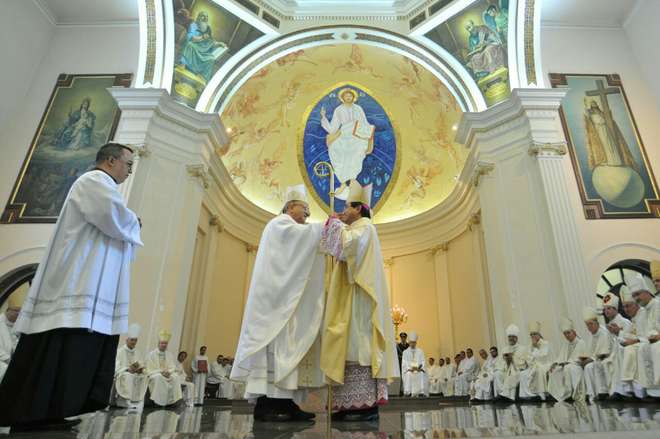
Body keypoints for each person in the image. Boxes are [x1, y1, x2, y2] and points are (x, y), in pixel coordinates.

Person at [0, 143, 142, 431]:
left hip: (87, 284)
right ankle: (35, 414)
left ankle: (53, 411)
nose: (129, 169)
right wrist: (135, 221)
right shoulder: (93, 181)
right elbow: (111, 217)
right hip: (75, 283)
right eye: (128, 163)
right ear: (111, 160)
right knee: (59, 349)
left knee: (68, 354)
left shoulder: (103, 186)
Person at [231, 185, 325, 422]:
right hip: (274, 306)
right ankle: (268, 405)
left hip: (285, 303)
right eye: (304, 209)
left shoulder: (292, 227)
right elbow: (300, 239)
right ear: (290, 207)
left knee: (288, 348)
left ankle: (286, 401)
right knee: (274, 351)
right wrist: (326, 225)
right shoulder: (279, 225)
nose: (307, 215)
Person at [320, 180, 399, 421]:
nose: (343, 211)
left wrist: (334, 225)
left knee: (358, 344)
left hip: (360, 298)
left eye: (347, 207)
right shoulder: (356, 228)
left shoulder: (365, 228)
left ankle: (363, 406)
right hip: (348, 294)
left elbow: (348, 248)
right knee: (346, 344)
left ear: (359, 209)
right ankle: (346, 404)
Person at [319, 88, 375, 198]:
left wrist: (368, 131)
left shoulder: (358, 108)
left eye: (350, 95)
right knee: (336, 150)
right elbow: (333, 127)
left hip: (357, 135)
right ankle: (343, 183)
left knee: (356, 155)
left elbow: (364, 122)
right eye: (346, 96)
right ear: (342, 98)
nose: (348, 97)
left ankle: (352, 182)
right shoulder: (338, 110)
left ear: (353, 97)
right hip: (344, 133)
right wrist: (323, 117)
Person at [629, 272, 660, 397]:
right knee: (642, 348)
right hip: (649, 342)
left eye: (637, 294)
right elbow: (643, 334)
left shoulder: (658, 305)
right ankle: (651, 391)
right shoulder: (643, 312)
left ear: (647, 292)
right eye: (633, 296)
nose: (636, 298)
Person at [179, 11, 227, 82]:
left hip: (203, 50)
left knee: (211, 59)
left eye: (206, 17)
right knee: (189, 45)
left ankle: (202, 76)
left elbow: (210, 41)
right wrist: (202, 37)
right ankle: (183, 65)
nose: (205, 18)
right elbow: (191, 38)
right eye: (203, 16)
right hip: (194, 45)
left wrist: (219, 43)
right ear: (199, 17)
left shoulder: (208, 29)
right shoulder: (193, 25)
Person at [547, 318, 587, 402]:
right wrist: (555, 363)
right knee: (554, 371)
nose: (567, 335)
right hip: (566, 365)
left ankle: (571, 394)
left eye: (568, 333)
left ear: (574, 332)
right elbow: (560, 357)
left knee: (568, 368)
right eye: (565, 334)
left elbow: (582, 358)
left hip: (577, 366)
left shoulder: (581, 342)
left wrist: (568, 363)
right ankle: (558, 395)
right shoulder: (566, 343)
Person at [580, 307, 614, 402]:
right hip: (596, 359)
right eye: (587, 325)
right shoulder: (591, 336)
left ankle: (605, 391)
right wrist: (584, 359)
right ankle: (592, 393)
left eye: (591, 324)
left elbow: (604, 352)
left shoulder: (603, 332)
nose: (589, 327)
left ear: (597, 323)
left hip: (607, 357)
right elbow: (590, 352)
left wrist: (590, 359)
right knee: (588, 367)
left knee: (596, 364)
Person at [112, 323, 148, 411]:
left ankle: (137, 402)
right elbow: (116, 366)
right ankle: (126, 401)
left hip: (135, 373)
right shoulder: (120, 351)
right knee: (128, 376)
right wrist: (127, 369)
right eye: (132, 340)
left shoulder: (138, 352)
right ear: (126, 340)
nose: (134, 342)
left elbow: (141, 364)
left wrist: (140, 369)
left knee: (143, 377)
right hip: (124, 373)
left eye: (135, 340)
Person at [146, 331, 183, 407]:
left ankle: (172, 401)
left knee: (175, 377)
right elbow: (149, 368)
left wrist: (169, 372)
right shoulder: (151, 354)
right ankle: (157, 402)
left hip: (167, 374)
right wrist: (161, 372)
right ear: (158, 344)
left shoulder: (169, 354)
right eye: (162, 343)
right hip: (155, 374)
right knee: (159, 378)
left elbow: (172, 366)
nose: (164, 345)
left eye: (165, 343)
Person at [493, 324, 527, 401]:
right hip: (505, 369)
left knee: (512, 375)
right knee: (497, 374)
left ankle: (508, 397)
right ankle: (501, 394)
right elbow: (499, 363)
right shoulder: (504, 349)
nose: (511, 338)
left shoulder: (522, 348)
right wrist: (506, 362)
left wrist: (512, 359)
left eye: (512, 337)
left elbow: (523, 363)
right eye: (509, 337)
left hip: (516, 370)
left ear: (516, 338)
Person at [518, 322, 552, 401]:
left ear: (539, 334)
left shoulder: (545, 343)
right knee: (523, 374)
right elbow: (528, 358)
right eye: (531, 334)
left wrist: (536, 347)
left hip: (544, 365)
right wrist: (533, 350)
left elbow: (543, 356)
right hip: (533, 365)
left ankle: (540, 394)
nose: (532, 336)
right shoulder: (530, 345)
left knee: (538, 370)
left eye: (534, 334)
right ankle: (527, 395)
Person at [0, 298, 20, 383]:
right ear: (9, 310)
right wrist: (9, 359)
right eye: (17, 311)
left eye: (21, 312)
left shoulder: (20, 324)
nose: (19, 315)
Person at [402, 332, 428, 397]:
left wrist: (420, 368)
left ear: (416, 343)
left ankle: (421, 392)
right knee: (408, 374)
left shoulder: (420, 351)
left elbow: (423, 361)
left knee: (421, 374)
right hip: (410, 370)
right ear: (409, 343)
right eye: (411, 342)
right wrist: (410, 369)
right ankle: (408, 392)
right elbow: (404, 363)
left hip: (418, 370)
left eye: (414, 342)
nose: (412, 344)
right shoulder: (405, 352)